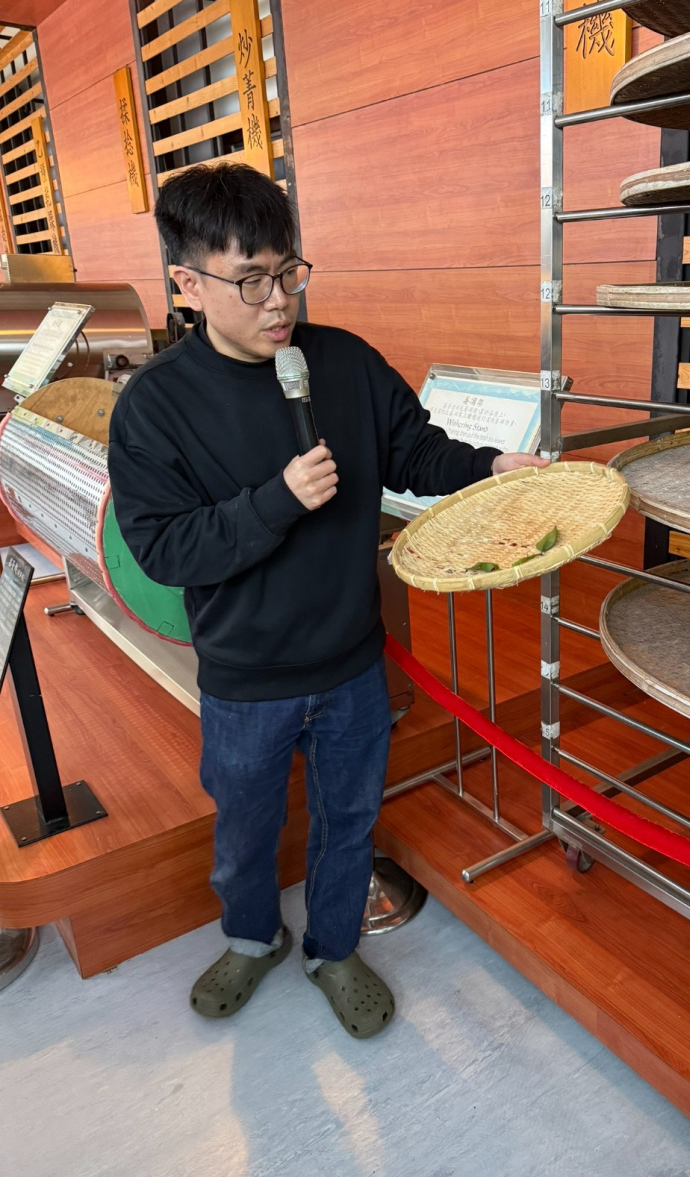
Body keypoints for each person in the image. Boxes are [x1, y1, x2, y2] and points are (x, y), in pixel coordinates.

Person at [108, 163, 546, 1038]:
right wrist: (276, 500)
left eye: (288, 272)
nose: (278, 302)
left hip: (351, 662)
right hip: (245, 679)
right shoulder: (155, 406)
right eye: (250, 281)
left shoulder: (341, 360)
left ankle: (333, 950)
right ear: (188, 285)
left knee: (349, 821)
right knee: (245, 831)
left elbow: (415, 452)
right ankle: (251, 936)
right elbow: (163, 550)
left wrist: (493, 466)